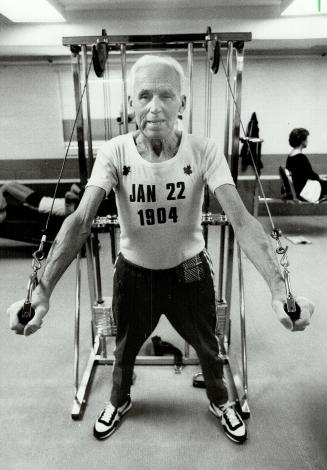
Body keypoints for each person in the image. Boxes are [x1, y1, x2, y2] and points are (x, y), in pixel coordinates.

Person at [7, 55, 314, 445]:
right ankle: (119, 400)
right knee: (125, 349)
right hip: (135, 274)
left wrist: (278, 289)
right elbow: (81, 221)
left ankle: (221, 400)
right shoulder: (114, 153)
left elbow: (242, 221)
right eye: (144, 96)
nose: (155, 107)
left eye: (166, 95)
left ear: (182, 103)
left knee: (208, 344)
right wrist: (42, 290)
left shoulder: (203, 150)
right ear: (130, 105)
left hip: (190, 271)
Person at [286, 128, 327, 202]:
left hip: (299, 189)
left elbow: (306, 174)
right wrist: (321, 178)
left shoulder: (290, 156)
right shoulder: (301, 157)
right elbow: (311, 174)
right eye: (306, 139)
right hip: (305, 191)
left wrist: (319, 177)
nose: (307, 141)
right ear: (302, 141)